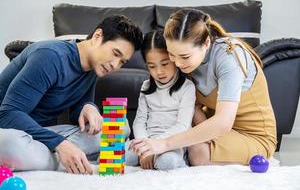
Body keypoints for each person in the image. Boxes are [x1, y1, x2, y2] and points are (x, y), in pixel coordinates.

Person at [130, 9, 277, 166]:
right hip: (210, 126)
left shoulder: (229, 57)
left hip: (251, 134)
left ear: (206, 43)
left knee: (197, 153)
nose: (177, 63)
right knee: (184, 139)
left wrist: (164, 143)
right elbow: (192, 108)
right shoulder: (187, 60)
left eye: (184, 57)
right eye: (172, 55)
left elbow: (223, 122)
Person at [0, 15, 143, 174]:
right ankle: (76, 160)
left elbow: (77, 116)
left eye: (122, 61)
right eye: (115, 53)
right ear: (97, 37)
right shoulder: (49, 56)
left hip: (41, 134)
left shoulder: (93, 67)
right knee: (10, 146)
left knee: (120, 125)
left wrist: (88, 107)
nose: (115, 65)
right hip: (10, 130)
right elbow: (7, 114)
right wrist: (61, 144)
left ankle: (66, 158)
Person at [126, 29, 196, 170]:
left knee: (166, 163)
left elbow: (182, 125)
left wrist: (153, 146)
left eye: (164, 64)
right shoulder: (146, 86)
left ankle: (182, 161)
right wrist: (144, 146)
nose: (159, 72)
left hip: (171, 142)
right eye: (152, 66)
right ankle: (145, 157)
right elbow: (139, 121)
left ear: (174, 58)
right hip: (145, 141)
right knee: (110, 158)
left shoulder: (187, 87)